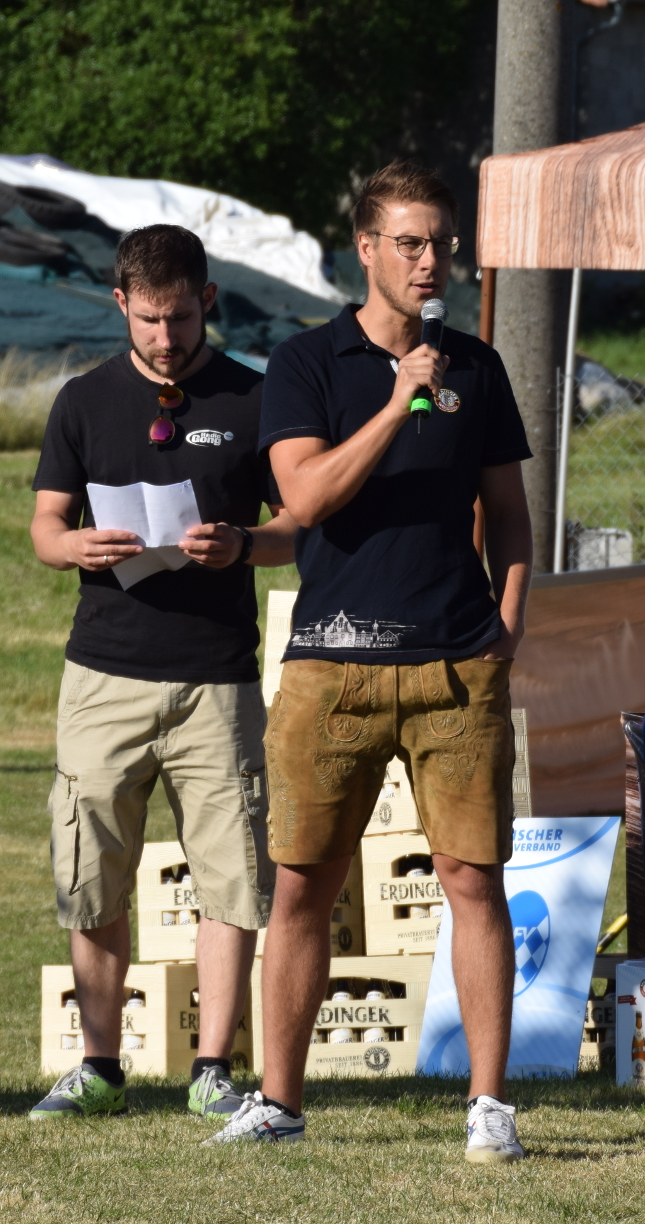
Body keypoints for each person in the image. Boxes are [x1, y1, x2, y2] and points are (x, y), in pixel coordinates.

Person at [205, 161, 533, 1160]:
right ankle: (279, 1101)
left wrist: (504, 640)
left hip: (455, 669)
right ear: (366, 250)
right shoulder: (307, 364)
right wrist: (397, 405)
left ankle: (487, 1108)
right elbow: (303, 502)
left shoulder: (476, 367)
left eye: (442, 242)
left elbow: (512, 525)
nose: (433, 260)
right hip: (329, 671)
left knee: (472, 880)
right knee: (302, 886)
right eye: (411, 242)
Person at [27, 224, 299, 1121]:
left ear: (207, 301)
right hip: (103, 673)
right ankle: (99, 1064)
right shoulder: (82, 401)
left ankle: (213, 1069)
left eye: (180, 317)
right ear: (120, 306)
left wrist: (243, 543)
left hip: (216, 682)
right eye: (148, 319)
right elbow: (43, 528)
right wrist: (77, 548)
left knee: (230, 875)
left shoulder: (256, 399)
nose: (165, 336)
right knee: (91, 869)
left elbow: (302, 523)